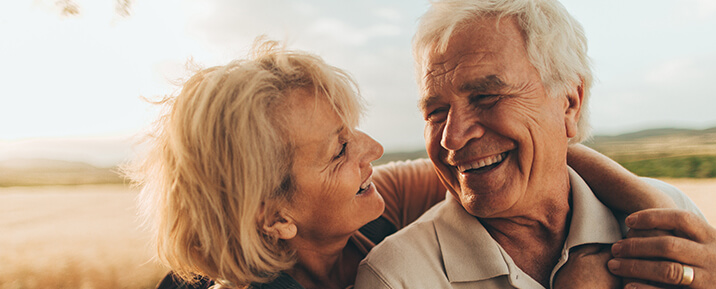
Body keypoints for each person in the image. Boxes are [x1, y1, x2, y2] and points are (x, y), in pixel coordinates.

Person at [126, 40, 681, 289]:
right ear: (273, 217)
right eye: (340, 150)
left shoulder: (371, 208)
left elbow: (504, 159)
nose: (371, 149)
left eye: (350, 130)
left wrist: (658, 212)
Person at [354, 0, 716, 288]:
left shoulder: (669, 214)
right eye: (435, 112)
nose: (452, 136)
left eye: (486, 96)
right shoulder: (396, 278)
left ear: (570, 103)